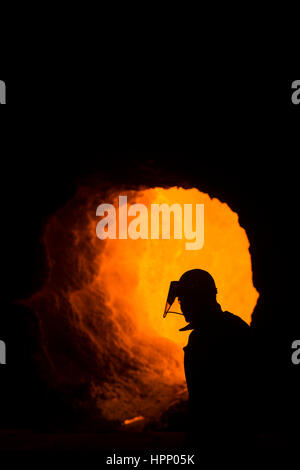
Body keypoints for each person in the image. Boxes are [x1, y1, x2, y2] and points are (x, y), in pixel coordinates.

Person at [172, 269, 253, 450]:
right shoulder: (235, 326)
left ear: (197, 299)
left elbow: (205, 401)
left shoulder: (203, 337)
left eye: (184, 299)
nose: (181, 305)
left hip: (216, 438)